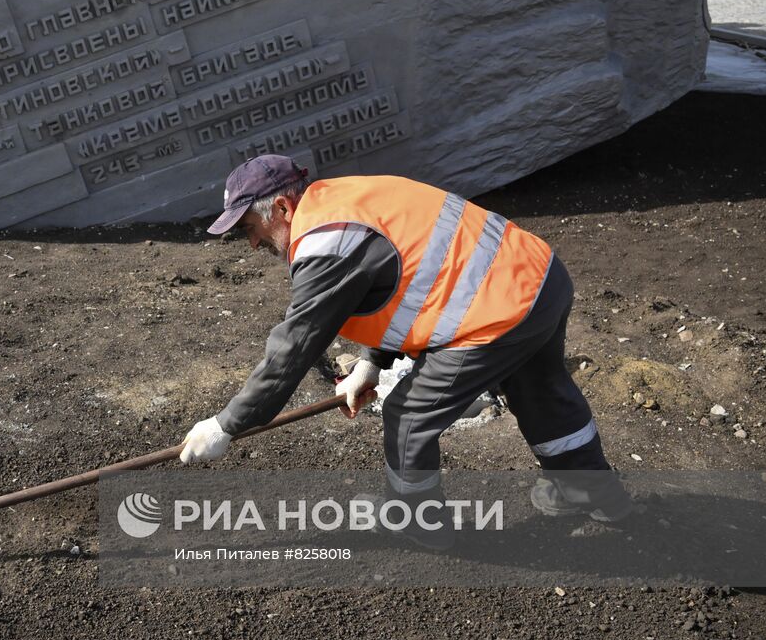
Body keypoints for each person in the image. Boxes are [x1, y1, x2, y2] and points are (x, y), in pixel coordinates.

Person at [178, 154, 630, 543]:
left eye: (250, 228)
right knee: (541, 389)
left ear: (281, 206)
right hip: (538, 278)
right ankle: (594, 494)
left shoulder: (324, 242)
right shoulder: (348, 197)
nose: (253, 241)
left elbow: (291, 351)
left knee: (409, 416)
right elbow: (411, 278)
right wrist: (370, 365)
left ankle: (418, 525)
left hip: (498, 311)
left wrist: (226, 426)